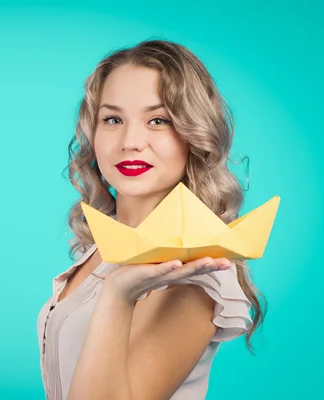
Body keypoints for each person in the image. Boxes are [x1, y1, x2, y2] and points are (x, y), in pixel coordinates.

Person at [36, 39, 266, 400]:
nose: (130, 141)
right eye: (113, 119)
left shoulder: (193, 272)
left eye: (158, 120)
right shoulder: (108, 245)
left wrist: (117, 295)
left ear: (193, 134)